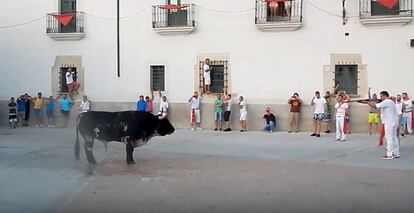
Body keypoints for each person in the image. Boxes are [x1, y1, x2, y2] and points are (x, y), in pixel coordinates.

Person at [362, 91, 399, 160]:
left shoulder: (387, 101)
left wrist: (367, 102)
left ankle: (390, 154)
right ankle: (396, 153)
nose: (381, 98)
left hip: (389, 122)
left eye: (381, 96)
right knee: (394, 138)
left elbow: (376, 106)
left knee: (389, 138)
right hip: (393, 122)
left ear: (385, 96)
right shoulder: (391, 102)